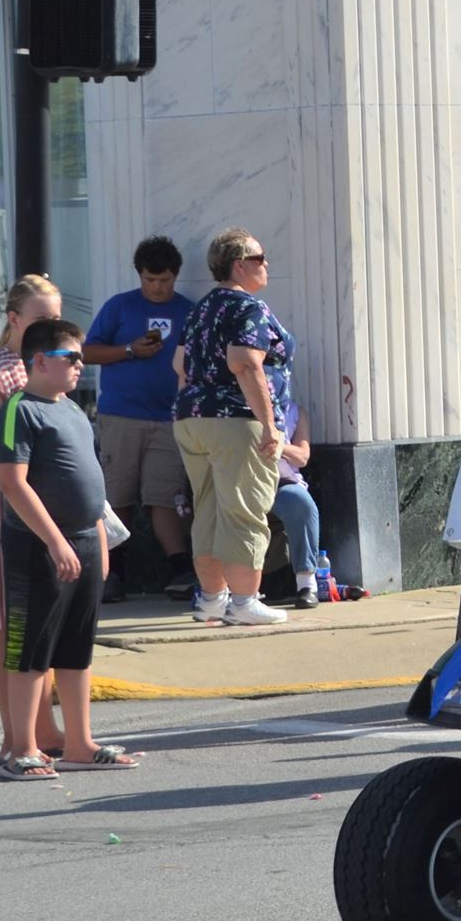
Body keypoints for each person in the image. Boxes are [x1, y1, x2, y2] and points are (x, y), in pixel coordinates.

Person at [0, 317, 138, 777]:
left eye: (80, 357)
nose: (80, 365)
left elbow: (88, 484)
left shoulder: (73, 410)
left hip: (84, 543)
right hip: (38, 547)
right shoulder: (19, 409)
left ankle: (78, 742)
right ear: (39, 361)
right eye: (69, 357)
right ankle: (23, 749)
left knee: (76, 648)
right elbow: (13, 484)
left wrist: (99, 537)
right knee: (30, 650)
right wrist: (54, 541)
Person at [172, 229, 293, 627]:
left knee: (207, 508)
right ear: (239, 264)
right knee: (244, 509)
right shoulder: (248, 306)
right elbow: (244, 361)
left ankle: (211, 599)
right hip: (236, 419)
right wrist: (269, 424)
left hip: (192, 417)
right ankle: (244, 602)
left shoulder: (201, 308)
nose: (267, 265)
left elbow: (179, 365)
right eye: (260, 258)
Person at [0, 274, 63, 763]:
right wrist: (21, 460)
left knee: (41, 617)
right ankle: (13, 737)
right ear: (14, 319)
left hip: (52, 504)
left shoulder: (49, 365)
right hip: (10, 504)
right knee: (13, 619)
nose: (51, 327)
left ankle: (44, 728)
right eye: (42, 319)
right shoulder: (0, 373)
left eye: (56, 318)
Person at [80, 235, 196, 600]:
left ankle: (180, 569)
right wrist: (130, 350)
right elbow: (87, 352)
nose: (157, 287)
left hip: (169, 418)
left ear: (175, 276)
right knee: (119, 495)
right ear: (139, 275)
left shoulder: (189, 310)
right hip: (121, 416)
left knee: (165, 496)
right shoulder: (120, 307)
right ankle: (112, 573)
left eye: (164, 280)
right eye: (150, 280)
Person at [275, 403, 326, 605]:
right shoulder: (235, 404)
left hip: (282, 479)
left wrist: (276, 445)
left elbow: (302, 457)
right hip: (245, 479)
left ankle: (307, 584)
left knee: (302, 504)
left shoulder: (294, 410)